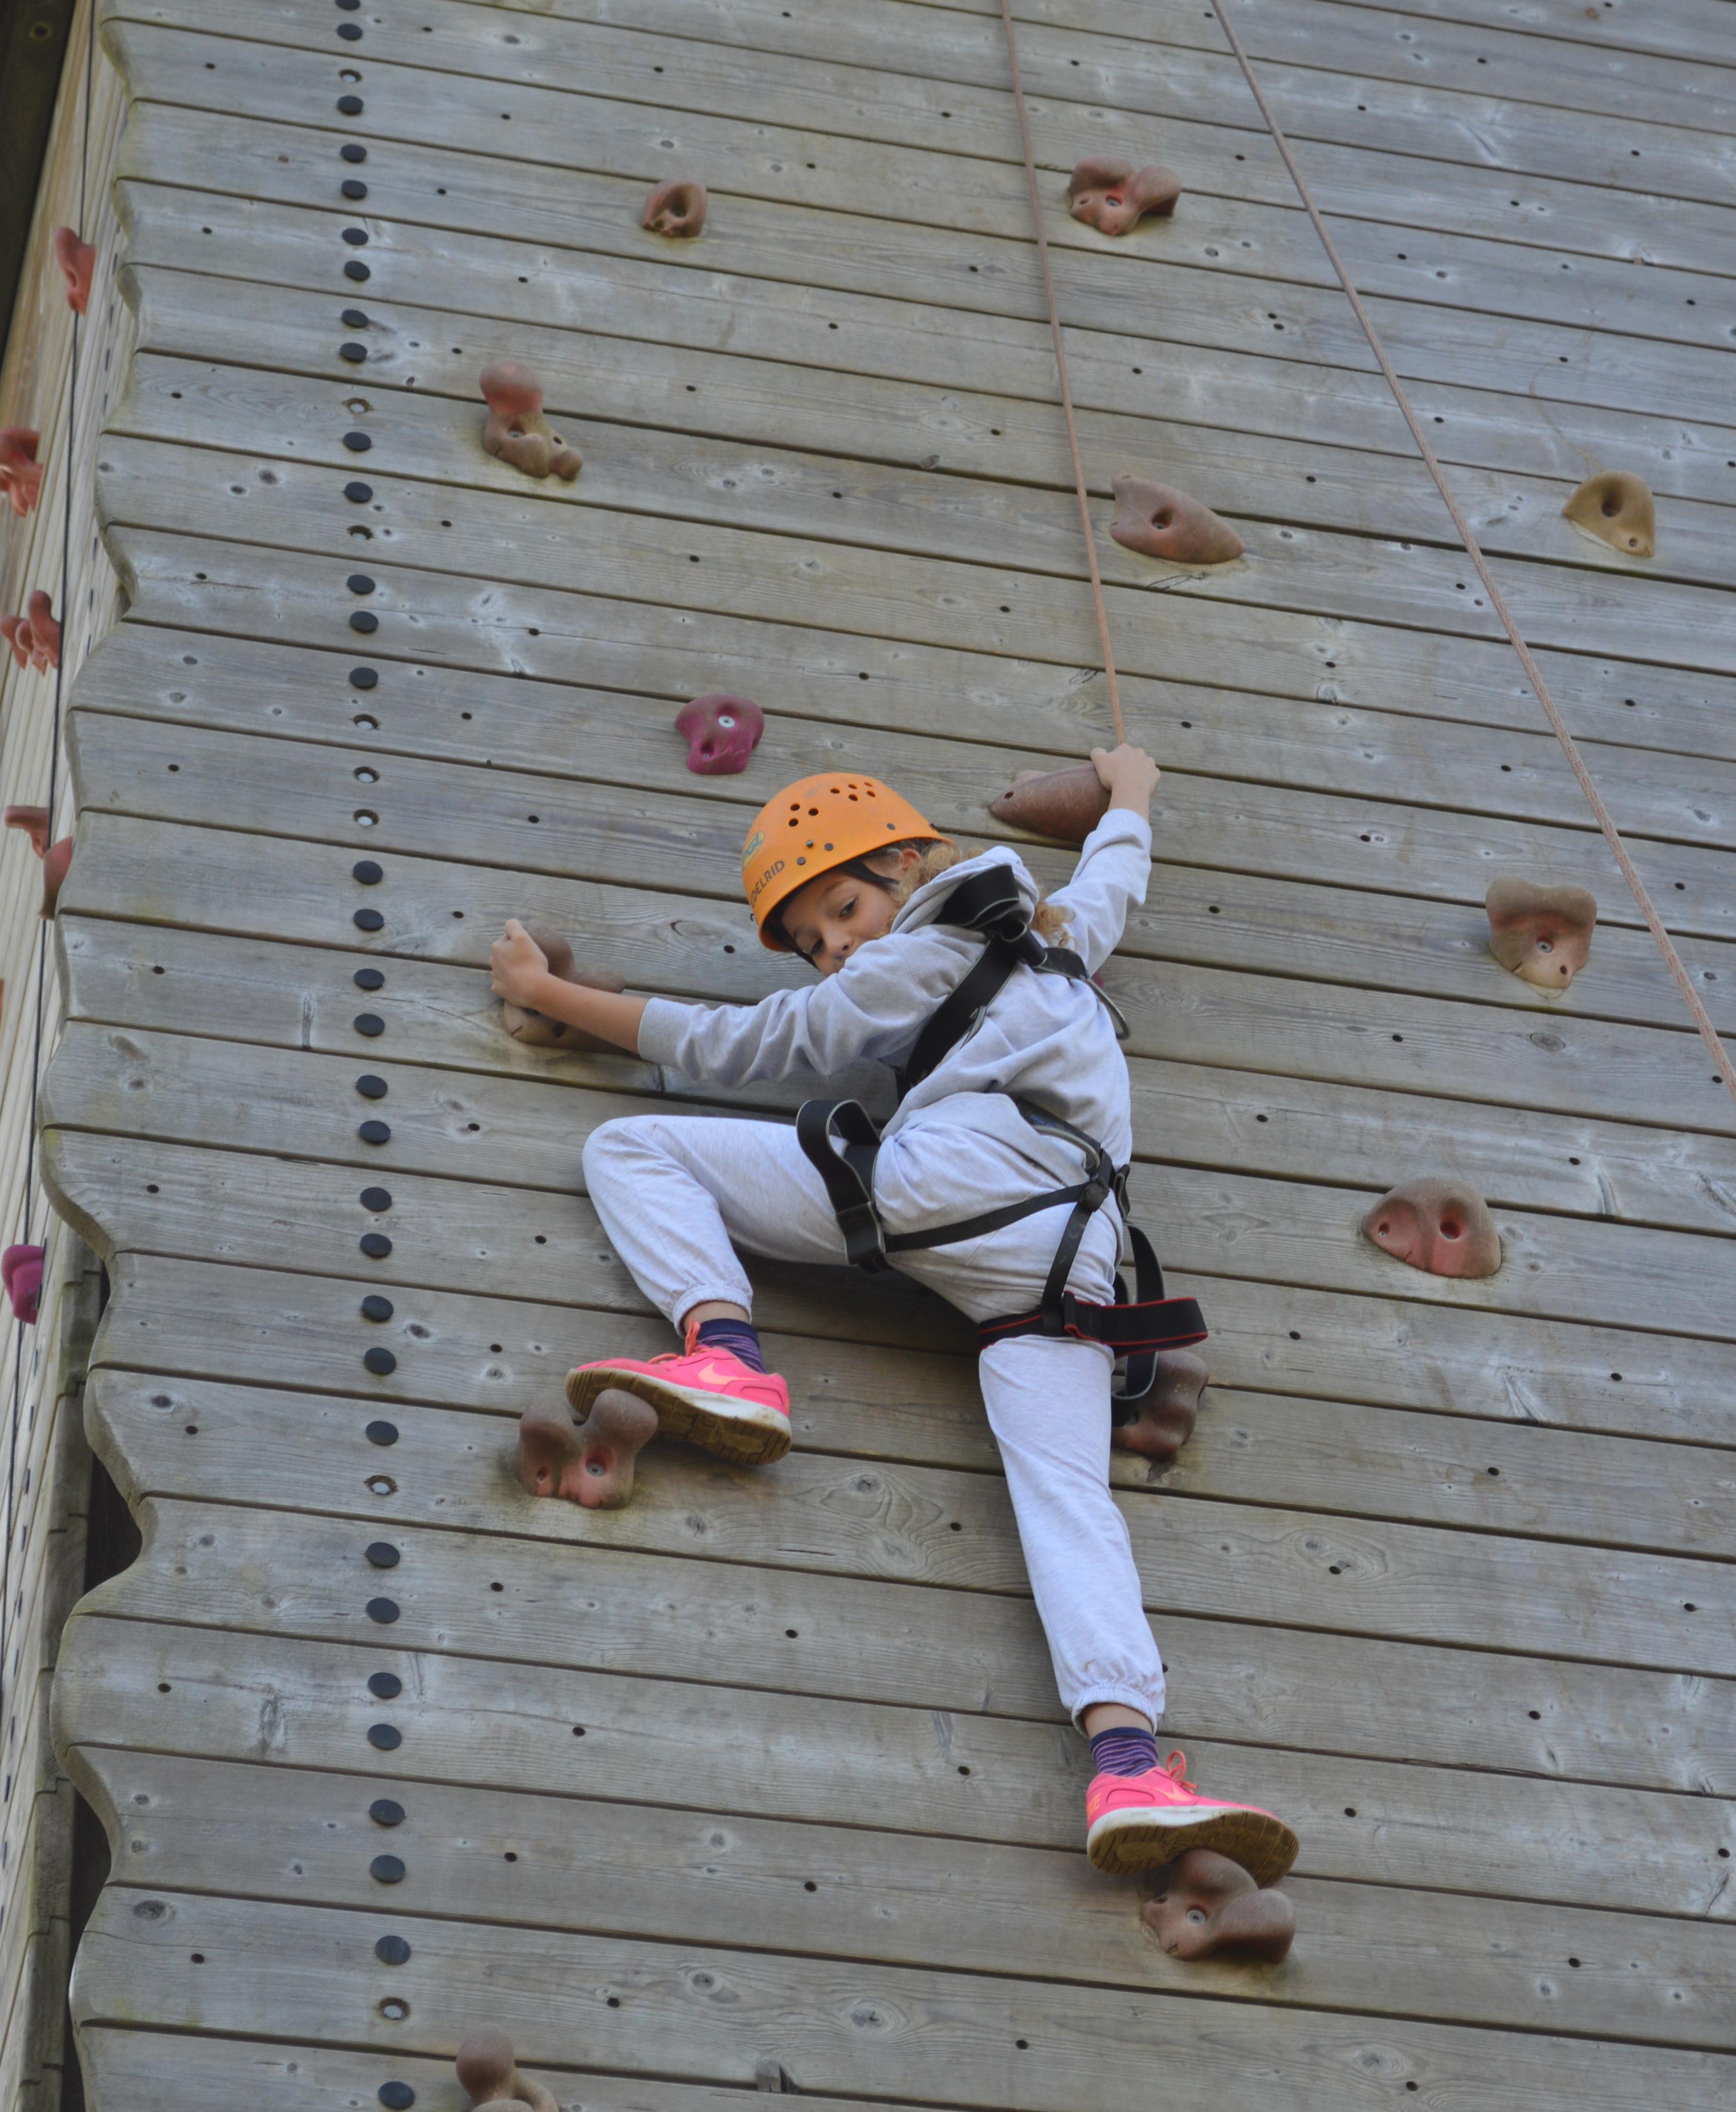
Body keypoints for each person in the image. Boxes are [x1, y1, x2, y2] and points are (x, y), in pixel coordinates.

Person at [490, 747, 1297, 1885]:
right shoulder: (1054, 934)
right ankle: (1126, 1765)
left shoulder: (915, 953)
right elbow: (1114, 880)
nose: (838, 948)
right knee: (1068, 1502)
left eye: (843, 907)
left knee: (632, 1147)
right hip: (1074, 1259)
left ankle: (725, 1354)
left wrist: (551, 997)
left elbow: (745, 1045)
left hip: (963, 1186)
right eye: (814, 941)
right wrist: (1130, 794)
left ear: (912, 864)